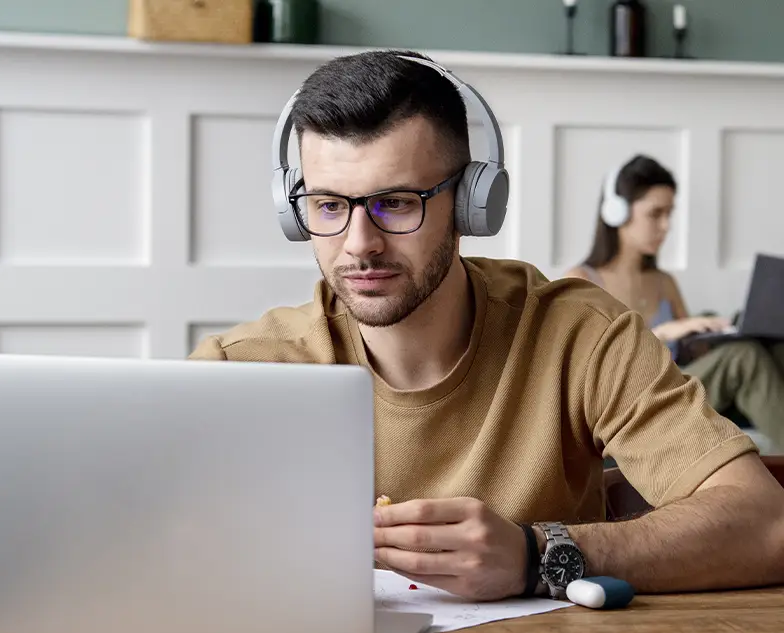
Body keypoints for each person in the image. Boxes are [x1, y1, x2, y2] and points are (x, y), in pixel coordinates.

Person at [191, 51, 784, 600]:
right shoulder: (239, 367)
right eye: (328, 206)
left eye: (395, 203)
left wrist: (538, 554)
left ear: (473, 204)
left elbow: (766, 523)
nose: (358, 245)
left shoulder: (582, 335)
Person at [565, 155, 784, 452]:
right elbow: (585, 371)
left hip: (678, 382)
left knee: (772, 348)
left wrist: (718, 332)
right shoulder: (582, 281)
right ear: (617, 212)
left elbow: (691, 354)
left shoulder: (664, 281)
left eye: (669, 213)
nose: (666, 226)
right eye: (655, 214)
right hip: (632, 400)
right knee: (743, 359)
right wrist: (664, 332)